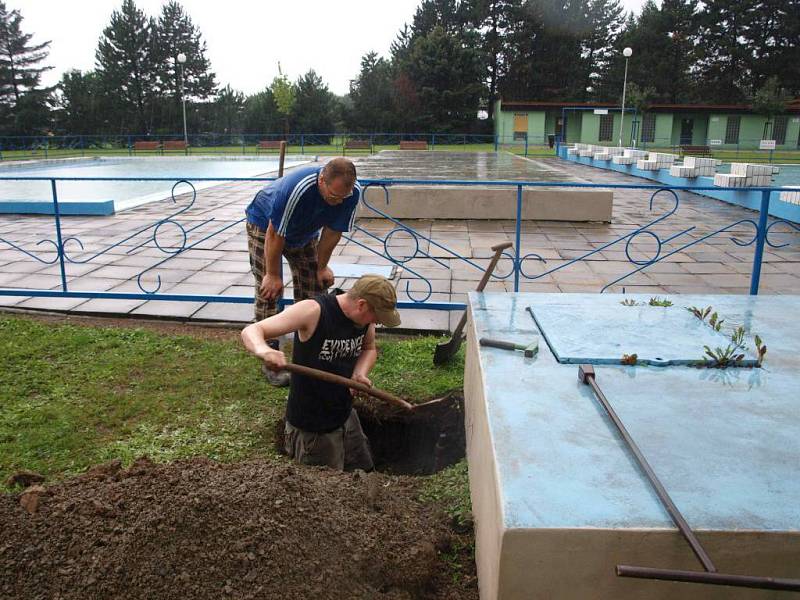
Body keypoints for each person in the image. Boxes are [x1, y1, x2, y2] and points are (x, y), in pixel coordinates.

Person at [241, 274, 401, 471]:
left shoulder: (365, 321)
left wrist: (359, 374)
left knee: (362, 471)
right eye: (377, 317)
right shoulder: (314, 311)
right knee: (328, 490)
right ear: (361, 304)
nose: (378, 322)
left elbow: (368, 348)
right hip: (313, 427)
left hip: (345, 416)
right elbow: (252, 331)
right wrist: (264, 350)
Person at [245, 157, 362, 387]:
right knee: (270, 291)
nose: (338, 202)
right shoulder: (298, 189)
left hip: (305, 233)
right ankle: (270, 355)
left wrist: (321, 267)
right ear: (321, 181)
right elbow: (275, 234)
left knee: (314, 289)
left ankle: (310, 349)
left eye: (343, 198)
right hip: (264, 226)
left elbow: (332, 232)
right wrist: (273, 274)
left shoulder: (352, 192)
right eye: (333, 196)